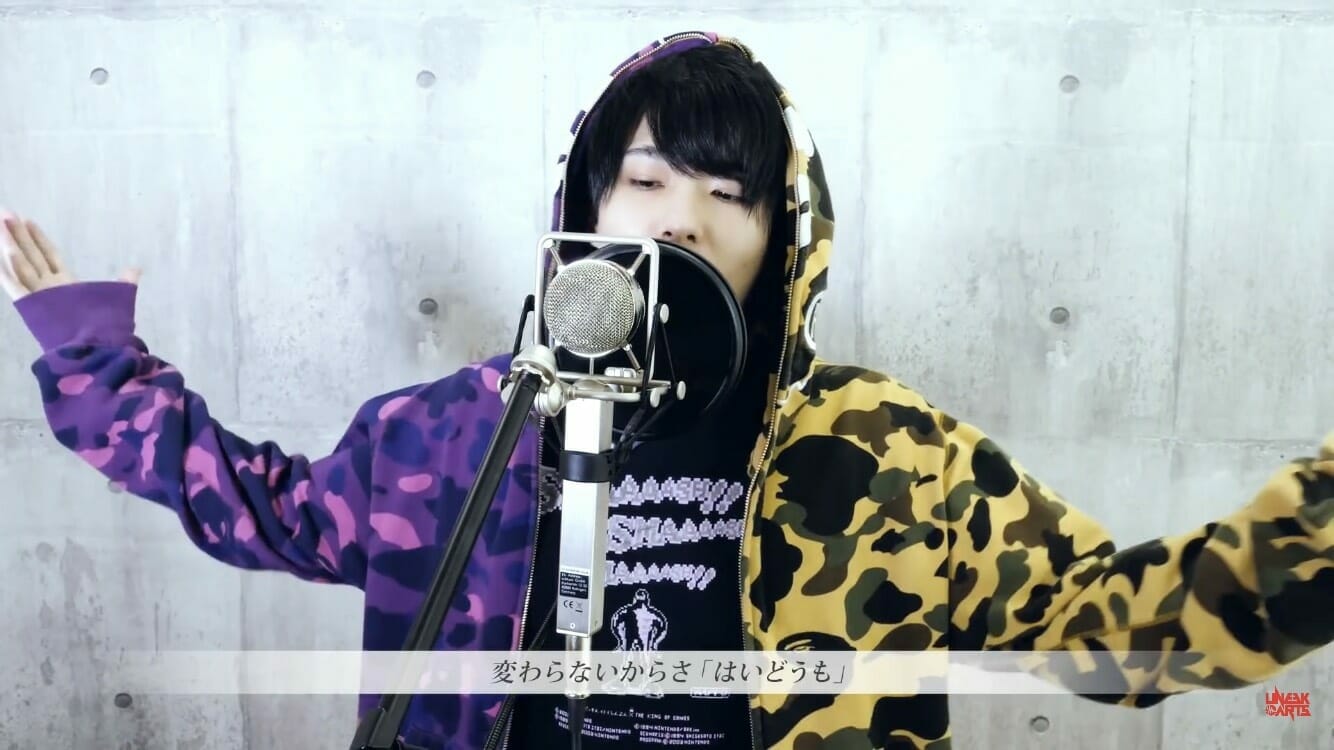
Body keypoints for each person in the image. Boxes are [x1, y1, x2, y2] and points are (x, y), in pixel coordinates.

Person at [3, 30, 1332, 750]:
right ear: (586, 204)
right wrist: (95, 359)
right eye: (645, 179)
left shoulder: (892, 454)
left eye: (726, 193)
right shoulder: (460, 429)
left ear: (781, 243)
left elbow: (1115, 633)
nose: (680, 218)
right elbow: (264, 509)